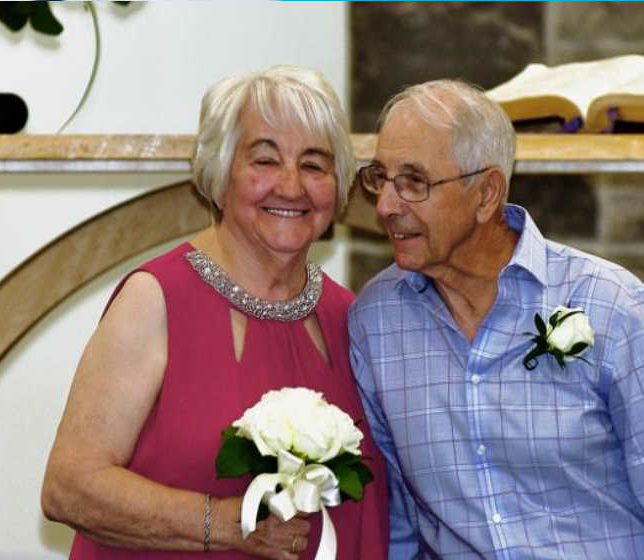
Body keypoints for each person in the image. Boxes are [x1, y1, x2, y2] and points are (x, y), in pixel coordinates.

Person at [348, 79, 644, 559]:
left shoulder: (612, 305)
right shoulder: (377, 320)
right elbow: (398, 525)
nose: (385, 205)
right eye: (379, 178)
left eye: (413, 182)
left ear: (487, 193)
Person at [42, 65, 388, 559]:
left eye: (314, 165)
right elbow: (68, 486)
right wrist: (228, 523)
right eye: (265, 161)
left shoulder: (349, 317)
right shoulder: (155, 300)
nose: (291, 186)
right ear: (220, 174)